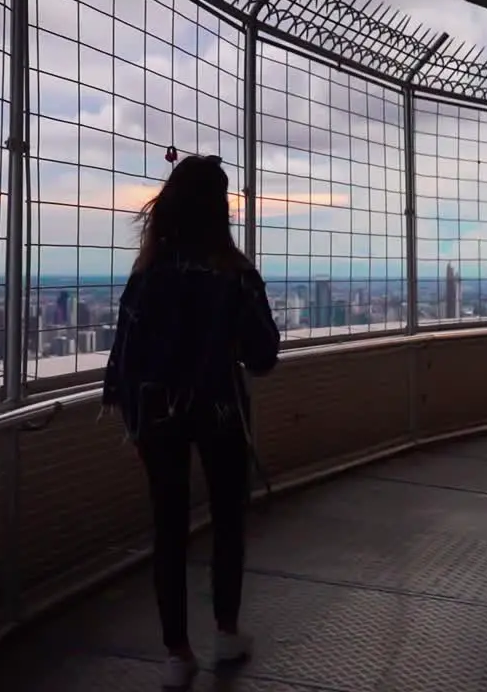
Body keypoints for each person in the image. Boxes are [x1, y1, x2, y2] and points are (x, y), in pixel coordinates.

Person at [102, 154, 280, 688]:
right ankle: (226, 631)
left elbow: (125, 356)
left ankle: (177, 654)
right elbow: (264, 354)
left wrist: (134, 421)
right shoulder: (235, 273)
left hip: (156, 415)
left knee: (169, 528)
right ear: (220, 208)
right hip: (221, 411)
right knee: (227, 520)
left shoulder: (150, 273)